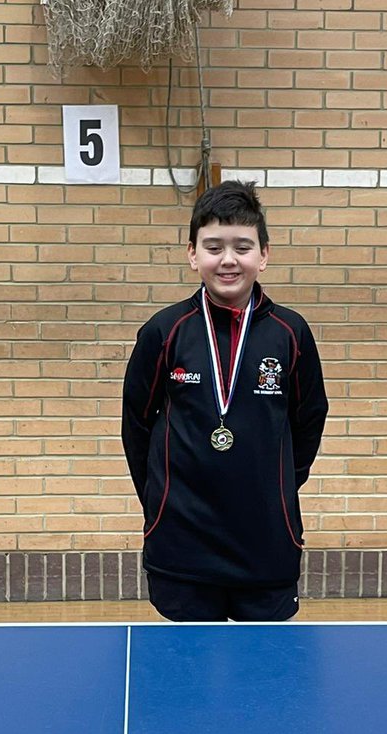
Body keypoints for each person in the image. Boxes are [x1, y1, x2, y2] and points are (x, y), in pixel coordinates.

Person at [121, 181, 329, 621]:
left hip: (266, 545)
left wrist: (273, 488)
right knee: (185, 677)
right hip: (183, 545)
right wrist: (162, 498)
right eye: (214, 246)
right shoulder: (164, 331)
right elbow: (135, 426)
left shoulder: (291, 333)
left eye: (242, 246)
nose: (229, 260)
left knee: (266, 678)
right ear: (193, 254)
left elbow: (309, 420)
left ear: (264, 255)